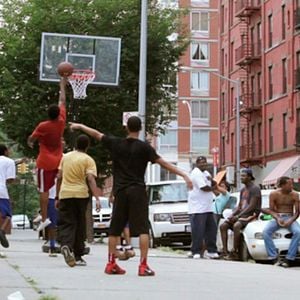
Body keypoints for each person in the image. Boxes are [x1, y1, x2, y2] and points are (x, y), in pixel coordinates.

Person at [69, 116, 192, 276]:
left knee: (115, 229)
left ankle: (111, 263)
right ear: (140, 129)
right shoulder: (144, 148)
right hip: (138, 190)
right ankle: (143, 266)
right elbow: (164, 163)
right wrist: (184, 174)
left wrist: (80, 125)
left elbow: (97, 134)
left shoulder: (116, 144)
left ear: (126, 128)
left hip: (120, 191)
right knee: (142, 229)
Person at [27, 77, 67, 232]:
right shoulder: (61, 122)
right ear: (58, 114)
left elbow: (31, 138)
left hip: (44, 162)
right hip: (58, 161)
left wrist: (30, 143)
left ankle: (44, 218)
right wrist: (62, 85)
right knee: (56, 187)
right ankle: (51, 211)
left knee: (43, 190)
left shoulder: (43, 126)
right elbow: (62, 100)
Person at [56, 134, 101, 267]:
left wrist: (57, 196)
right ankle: (78, 255)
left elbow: (59, 177)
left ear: (76, 144)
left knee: (66, 222)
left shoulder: (65, 157)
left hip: (65, 194)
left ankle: (66, 245)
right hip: (81, 195)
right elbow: (90, 179)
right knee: (80, 224)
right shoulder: (88, 160)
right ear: (87, 146)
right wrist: (97, 197)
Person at [220, 168, 261, 260]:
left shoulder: (255, 189)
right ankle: (225, 252)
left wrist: (238, 216)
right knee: (223, 226)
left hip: (251, 216)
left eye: (243, 176)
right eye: (241, 176)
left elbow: (252, 206)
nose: (241, 178)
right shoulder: (243, 190)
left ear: (250, 177)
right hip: (241, 215)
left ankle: (235, 252)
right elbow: (239, 206)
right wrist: (232, 215)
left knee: (236, 225)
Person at [262, 176, 300, 267]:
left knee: (298, 232)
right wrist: (277, 218)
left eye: (292, 184)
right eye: (289, 184)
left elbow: (298, 212)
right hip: (278, 216)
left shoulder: (295, 194)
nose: (292, 186)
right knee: (266, 231)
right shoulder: (274, 194)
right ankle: (273, 256)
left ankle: (289, 258)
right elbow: (271, 210)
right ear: (283, 185)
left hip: (290, 216)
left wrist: (290, 220)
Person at [187, 156, 219, 259]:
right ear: (197, 164)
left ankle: (212, 251)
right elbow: (204, 188)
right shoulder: (196, 173)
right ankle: (196, 251)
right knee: (198, 231)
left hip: (208, 207)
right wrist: (214, 188)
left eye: (205, 163)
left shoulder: (206, 173)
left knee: (211, 230)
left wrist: (212, 180)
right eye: (201, 163)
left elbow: (214, 183)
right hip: (198, 208)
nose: (203, 164)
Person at [0, 144, 16, 248]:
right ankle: (1, 230)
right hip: (1, 190)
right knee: (8, 214)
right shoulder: (9, 162)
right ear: (5, 151)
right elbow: (10, 179)